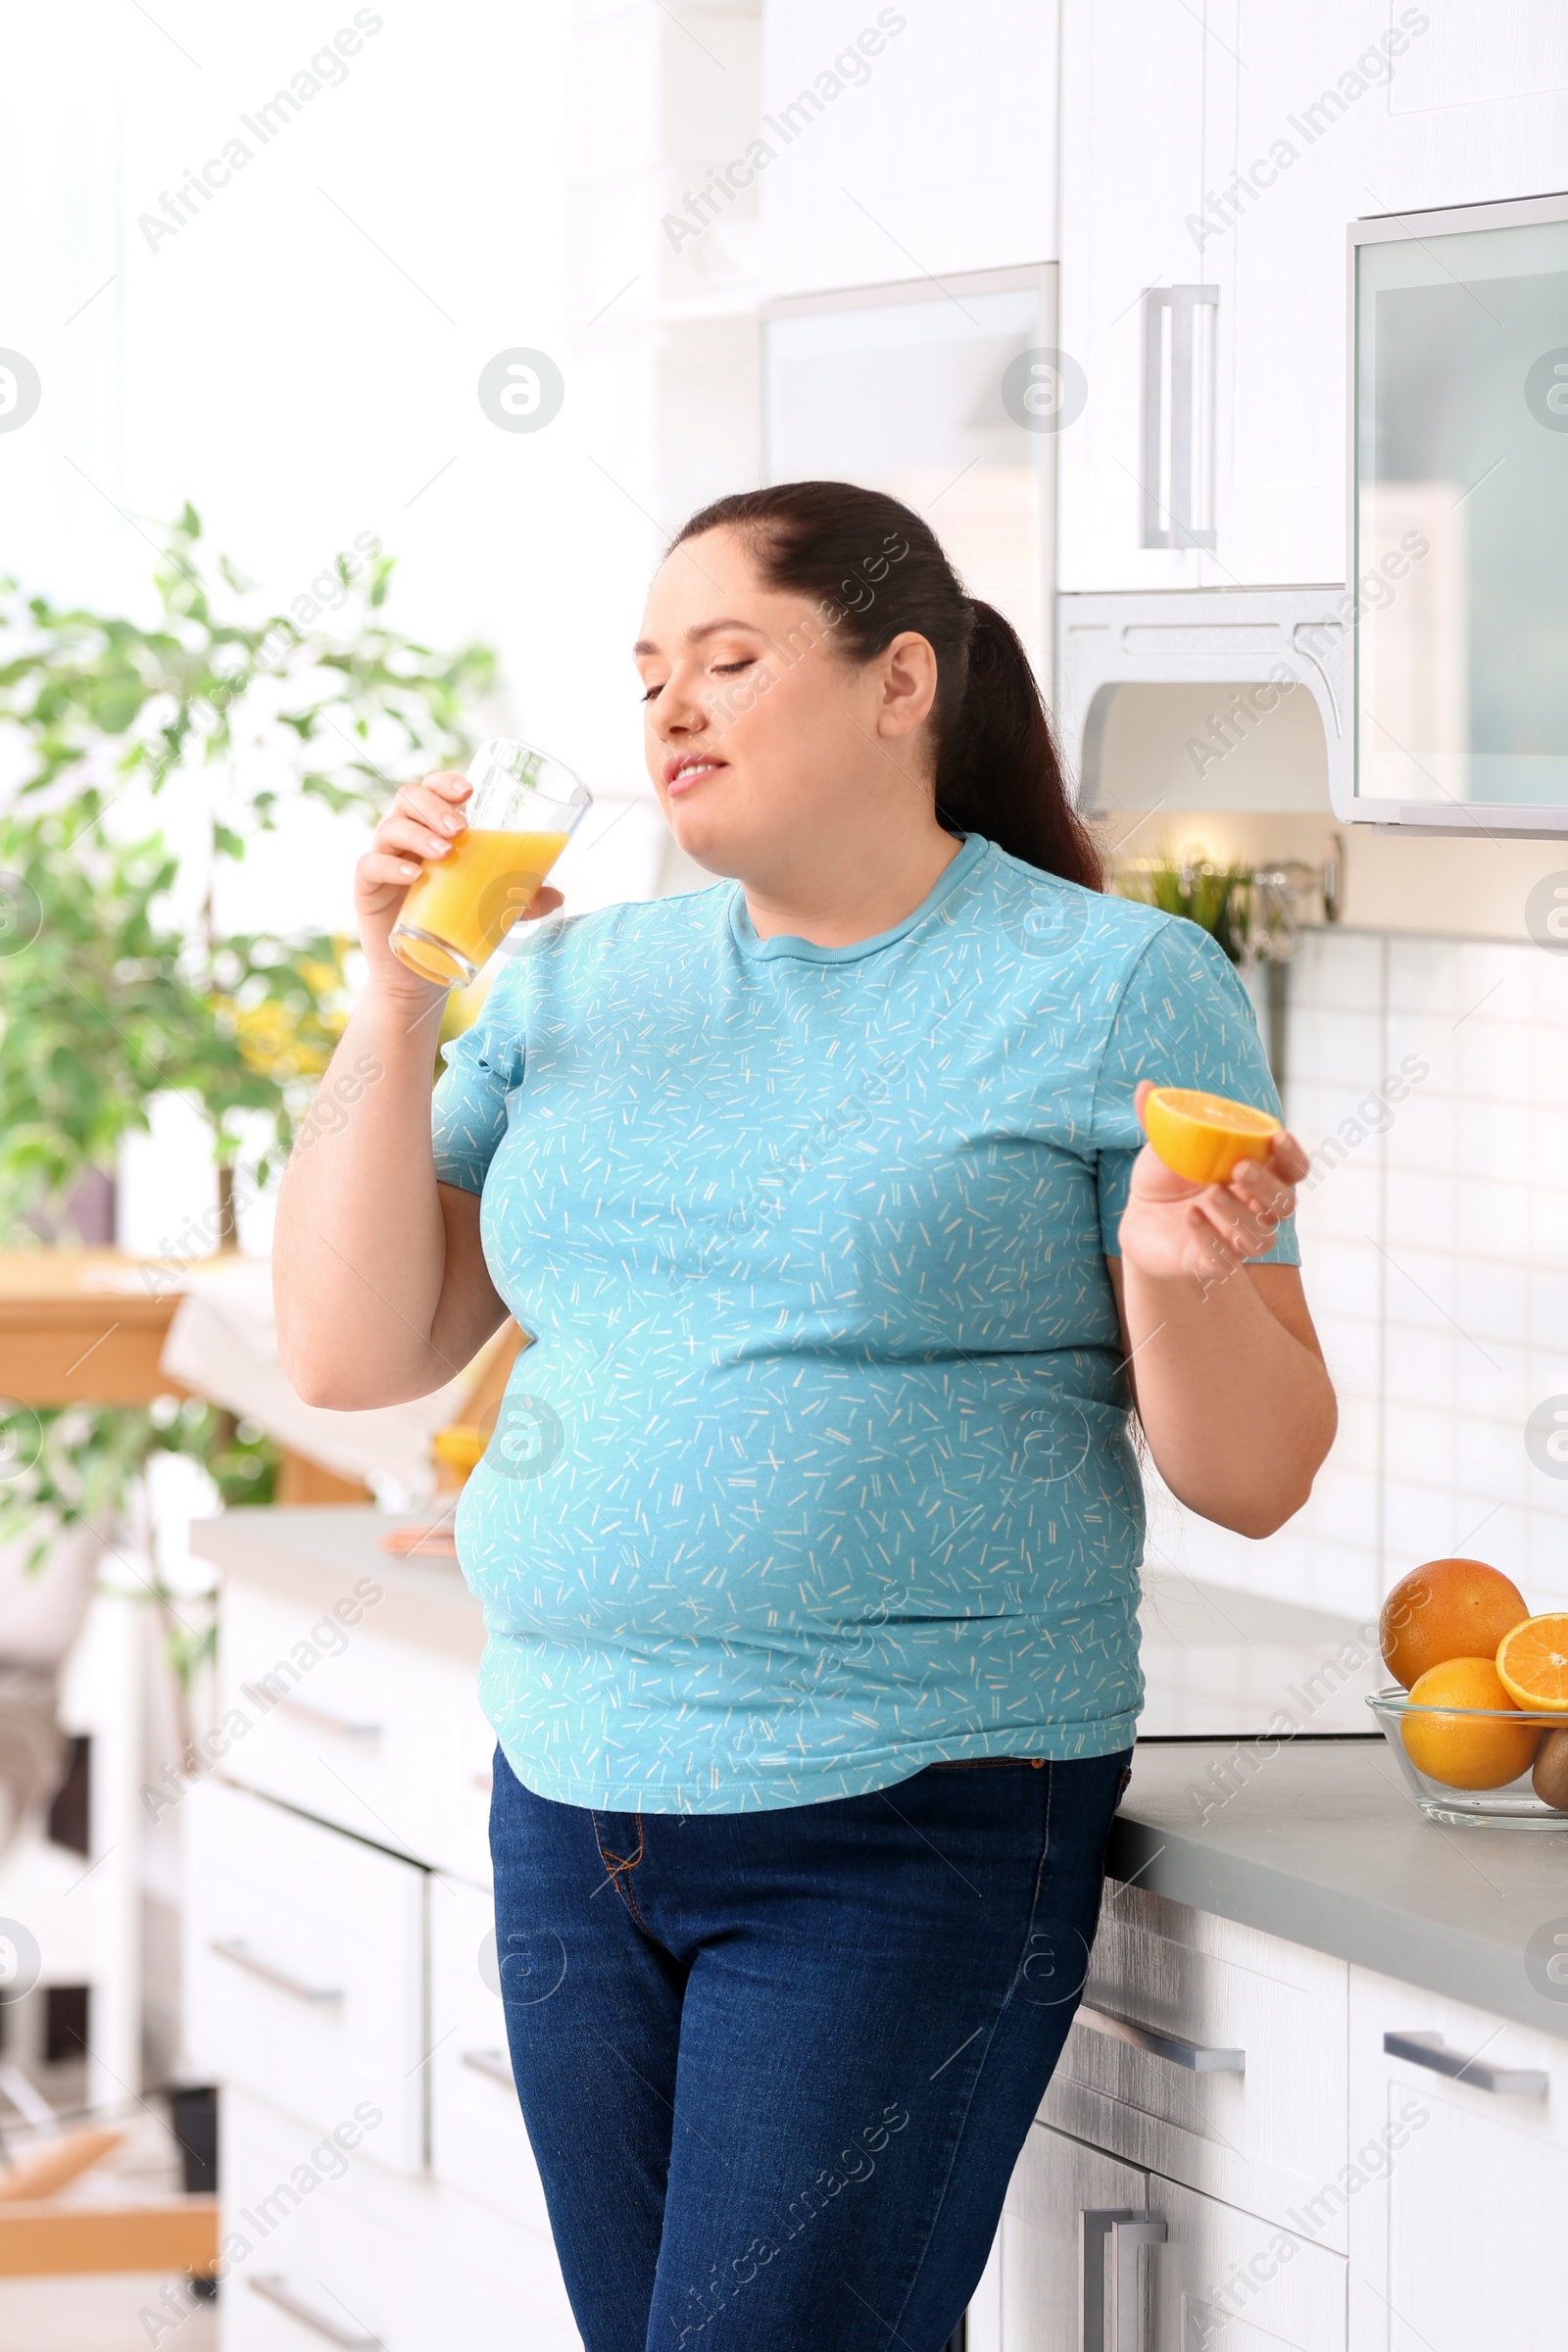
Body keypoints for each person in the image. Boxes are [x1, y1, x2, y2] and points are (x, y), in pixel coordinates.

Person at [274, 481, 1336, 2352]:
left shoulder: (1112, 986)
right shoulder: (575, 985)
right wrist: (393, 991)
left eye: (730, 659)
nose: (671, 707)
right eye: (647, 676)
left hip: (905, 1815)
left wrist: (1171, 1281)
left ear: (898, 679)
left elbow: (1255, 1476)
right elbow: (353, 1348)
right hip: (574, 1800)